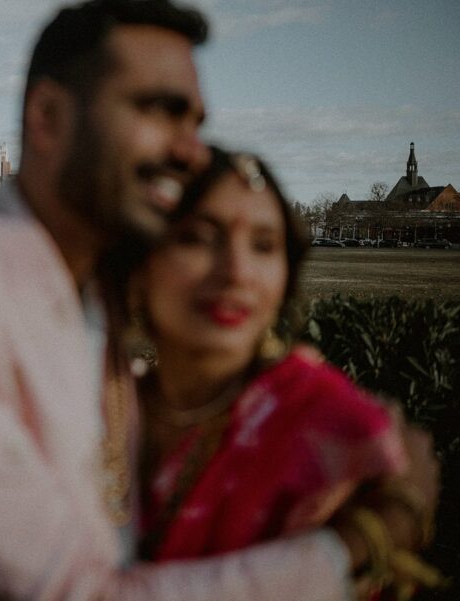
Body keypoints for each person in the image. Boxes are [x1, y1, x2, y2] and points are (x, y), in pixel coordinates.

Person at [0, 0, 438, 599]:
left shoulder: (99, 295)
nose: (190, 150)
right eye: (159, 110)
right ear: (47, 117)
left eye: (195, 121)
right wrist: (365, 541)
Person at [122, 148, 441, 595]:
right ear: (140, 261)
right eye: (198, 237)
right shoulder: (96, 400)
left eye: (264, 245)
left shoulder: (334, 427)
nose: (238, 272)